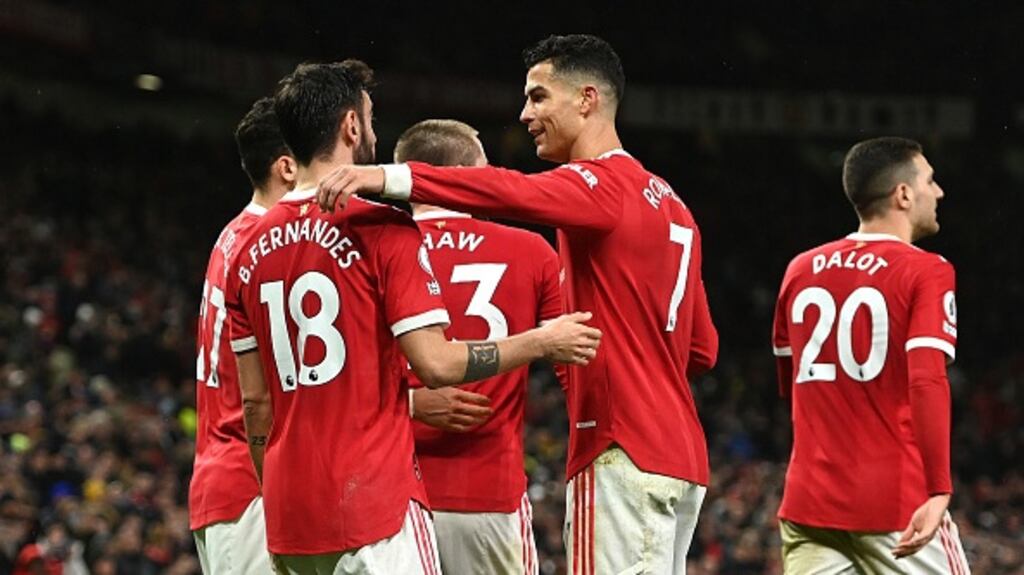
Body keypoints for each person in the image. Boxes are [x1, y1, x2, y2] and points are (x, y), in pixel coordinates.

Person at [316, 35, 718, 574]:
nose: (525, 114)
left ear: (587, 99)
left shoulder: (599, 185)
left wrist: (384, 177)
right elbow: (702, 349)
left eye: (539, 97)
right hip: (680, 456)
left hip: (620, 446)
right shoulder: (672, 203)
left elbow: (510, 192)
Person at [226, 60, 602, 575]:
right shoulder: (383, 228)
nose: (375, 131)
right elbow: (438, 365)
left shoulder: (243, 250)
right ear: (351, 126)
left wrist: (278, 494)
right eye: (371, 117)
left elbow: (255, 401)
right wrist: (543, 341)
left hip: (292, 516)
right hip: (381, 503)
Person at [771, 137, 971, 573]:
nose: (938, 193)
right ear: (903, 194)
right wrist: (938, 489)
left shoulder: (799, 269)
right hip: (894, 504)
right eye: (930, 181)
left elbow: (791, 389)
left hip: (809, 502)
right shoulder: (927, 271)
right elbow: (926, 379)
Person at [396, 119, 561, 574]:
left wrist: (408, 402)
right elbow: (575, 357)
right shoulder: (532, 252)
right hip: (488, 493)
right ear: (465, 176)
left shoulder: (372, 251)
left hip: (391, 498)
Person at [189, 96, 295, 575]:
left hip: (225, 481)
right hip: (249, 481)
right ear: (288, 168)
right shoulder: (268, 245)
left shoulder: (236, 233)